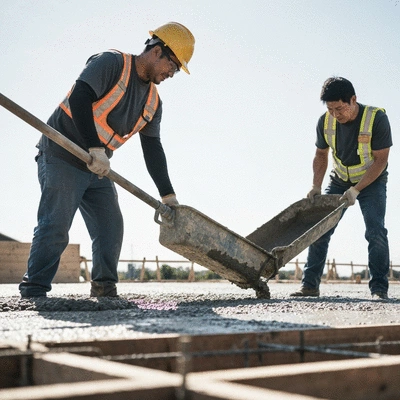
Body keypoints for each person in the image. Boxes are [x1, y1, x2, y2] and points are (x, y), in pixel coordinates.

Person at [19, 22, 195, 298]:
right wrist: (95, 147)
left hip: (96, 167)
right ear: (157, 51)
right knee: (56, 226)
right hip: (62, 154)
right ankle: (34, 291)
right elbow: (80, 97)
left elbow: (152, 148)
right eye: (172, 66)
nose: (171, 74)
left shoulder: (153, 103)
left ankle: (104, 289)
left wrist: (167, 195)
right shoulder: (111, 63)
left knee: (110, 226)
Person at [291, 76, 392, 300]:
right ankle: (309, 286)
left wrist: (357, 190)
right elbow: (320, 154)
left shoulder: (376, 119)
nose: (335, 114)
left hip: (371, 181)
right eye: (330, 109)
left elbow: (380, 161)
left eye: (339, 108)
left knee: (375, 232)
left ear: (353, 99)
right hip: (338, 180)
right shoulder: (325, 122)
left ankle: (379, 290)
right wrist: (316, 186)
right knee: (320, 229)